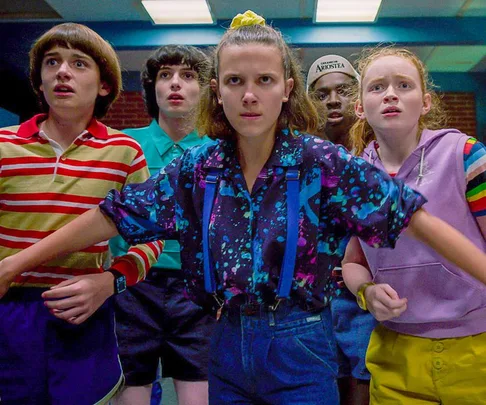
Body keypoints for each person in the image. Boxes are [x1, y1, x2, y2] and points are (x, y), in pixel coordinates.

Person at [1, 12, 486, 405]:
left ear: (287, 88)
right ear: (218, 90)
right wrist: (15, 265)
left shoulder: (323, 162)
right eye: (234, 80)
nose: (249, 94)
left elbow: (414, 217)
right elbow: (115, 214)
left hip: (301, 344)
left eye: (265, 79)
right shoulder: (198, 167)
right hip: (224, 343)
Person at [0, 23, 162, 405]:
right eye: (52, 62)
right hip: (9, 310)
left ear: (104, 85)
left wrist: (110, 283)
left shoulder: (125, 152)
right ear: (39, 82)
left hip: (83, 310)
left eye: (79, 63)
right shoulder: (3, 145)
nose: (62, 72)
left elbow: (151, 239)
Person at [342, 46, 486, 404]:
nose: (390, 93)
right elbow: (352, 264)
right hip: (395, 354)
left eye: (403, 85)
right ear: (360, 107)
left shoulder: (467, 155)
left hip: (477, 347)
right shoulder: (352, 178)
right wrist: (367, 293)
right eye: (377, 87)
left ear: (425, 102)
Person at [111, 45, 214, 405]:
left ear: (205, 89)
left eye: (188, 76)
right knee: (132, 390)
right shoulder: (125, 145)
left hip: (197, 292)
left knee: (197, 394)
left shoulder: (218, 150)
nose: (175, 84)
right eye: (165, 75)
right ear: (151, 87)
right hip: (132, 291)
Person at [307, 55, 377, 405]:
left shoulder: (378, 154)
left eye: (343, 90)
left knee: (364, 380)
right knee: (322, 384)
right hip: (312, 300)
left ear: (359, 98)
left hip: (366, 297)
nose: (333, 100)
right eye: (321, 94)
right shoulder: (297, 158)